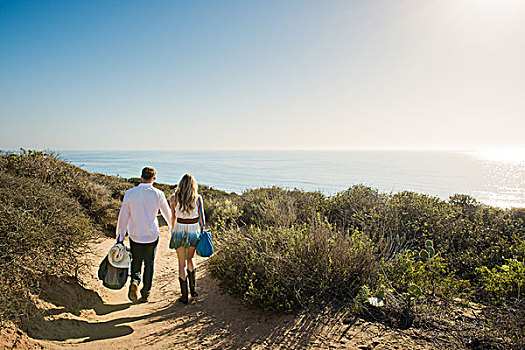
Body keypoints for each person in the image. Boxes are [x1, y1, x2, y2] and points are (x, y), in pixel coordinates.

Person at [116, 166, 172, 303]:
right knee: (149, 263)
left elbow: (123, 216)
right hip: (151, 235)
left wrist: (120, 236)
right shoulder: (158, 194)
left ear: (141, 177)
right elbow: (167, 213)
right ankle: (146, 292)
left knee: (136, 260)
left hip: (135, 234)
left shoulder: (130, 193)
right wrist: (173, 229)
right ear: (154, 179)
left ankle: (135, 281)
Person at [169, 173, 205, 304]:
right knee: (190, 259)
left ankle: (184, 297)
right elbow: (202, 218)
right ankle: (193, 291)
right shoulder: (198, 198)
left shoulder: (173, 198)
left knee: (181, 263)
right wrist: (202, 229)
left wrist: (172, 230)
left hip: (179, 229)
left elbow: (173, 217)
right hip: (193, 230)